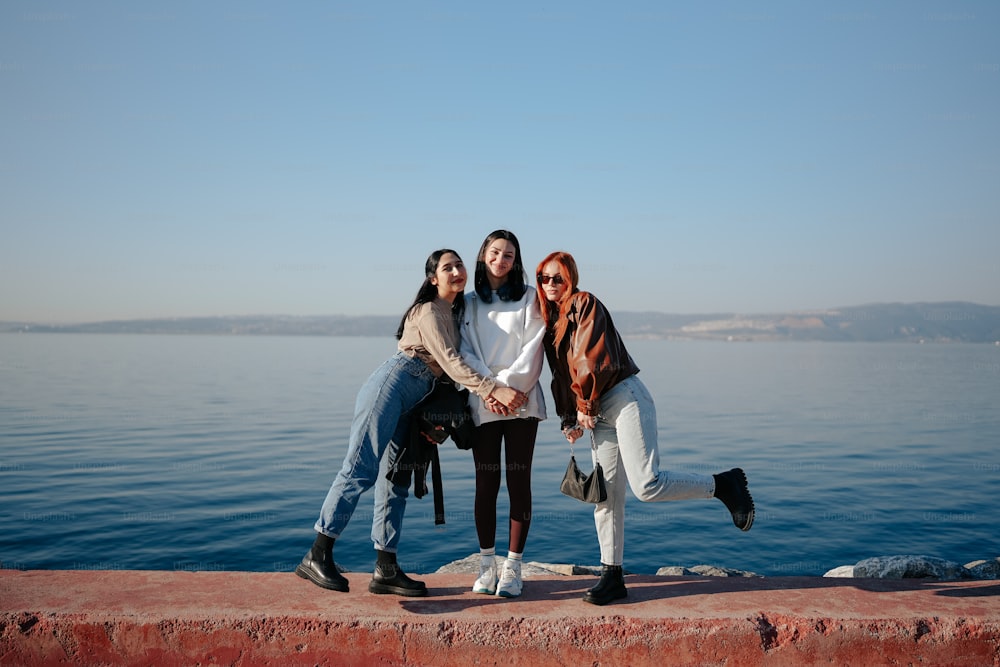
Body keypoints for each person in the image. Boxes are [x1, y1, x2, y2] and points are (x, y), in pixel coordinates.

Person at [296, 249, 528, 597]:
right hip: (393, 384)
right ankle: (318, 552)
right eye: (447, 267)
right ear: (433, 278)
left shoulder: (457, 311)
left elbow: (457, 363)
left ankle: (385, 569)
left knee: (396, 479)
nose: (456, 271)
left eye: (460, 265)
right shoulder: (428, 310)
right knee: (360, 468)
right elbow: (449, 361)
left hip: (417, 398)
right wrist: (493, 389)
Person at [535, 251, 755, 606]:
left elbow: (590, 359)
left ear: (571, 279)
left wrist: (585, 405)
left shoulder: (583, 304)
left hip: (624, 397)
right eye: (544, 278)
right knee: (605, 496)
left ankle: (723, 485)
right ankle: (612, 576)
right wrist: (569, 417)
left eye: (557, 278)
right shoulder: (554, 323)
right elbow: (561, 374)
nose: (550, 285)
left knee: (647, 484)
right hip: (595, 410)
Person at [459, 230, 547, 598]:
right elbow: (463, 351)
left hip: (522, 399)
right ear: (483, 256)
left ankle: (513, 567)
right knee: (486, 484)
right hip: (484, 397)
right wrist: (492, 388)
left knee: (518, 482)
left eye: (509, 254)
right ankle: (485, 565)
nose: (501, 259)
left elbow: (534, 345)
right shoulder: (467, 302)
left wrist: (510, 388)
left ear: (516, 261)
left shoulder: (530, 298)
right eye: (495, 252)